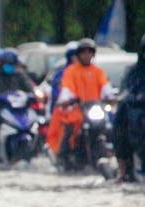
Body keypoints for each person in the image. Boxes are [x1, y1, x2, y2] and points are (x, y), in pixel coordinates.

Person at [53, 38, 114, 170]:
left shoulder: (98, 71)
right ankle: (64, 156)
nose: (87, 55)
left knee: (109, 126)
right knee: (71, 128)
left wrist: (111, 97)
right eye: (84, 52)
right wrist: (69, 99)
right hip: (77, 110)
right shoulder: (71, 71)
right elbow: (66, 89)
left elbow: (106, 88)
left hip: (95, 109)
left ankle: (112, 155)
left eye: (89, 52)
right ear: (79, 54)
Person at [0, 48, 33, 162]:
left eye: (12, 64)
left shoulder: (20, 76)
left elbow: (30, 89)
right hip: (0, 111)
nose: (9, 66)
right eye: (7, 64)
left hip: (18, 112)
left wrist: (35, 95)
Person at [112, 34, 145, 182]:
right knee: (121, 118)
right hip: (137, 111)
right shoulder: (133, 71)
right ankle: (123, 169)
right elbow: (126, 91)